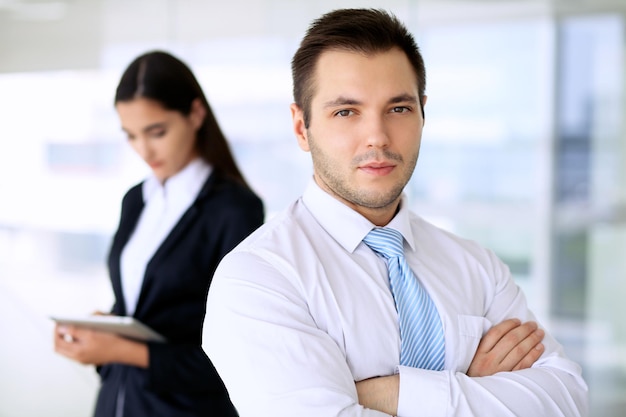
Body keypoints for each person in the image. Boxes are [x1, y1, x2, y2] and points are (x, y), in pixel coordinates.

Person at [202, 8, 588, 417]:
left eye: (398, 108)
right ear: (301, 127)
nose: (377, 136)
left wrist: (390, 394)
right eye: (346, 111)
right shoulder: (259, 277)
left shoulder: (476, 265)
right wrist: (471, 385)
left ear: (423, 113)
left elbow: (566, 398)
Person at [54, 50, 264, 417]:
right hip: (118, 402)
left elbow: (237, 355)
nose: (144, 150)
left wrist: (119, 349)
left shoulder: (234, 208)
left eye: (157, 132)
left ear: (196, 114)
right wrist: (104, 329)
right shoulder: (136, 199)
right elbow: (141, 308)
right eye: (131, 136)